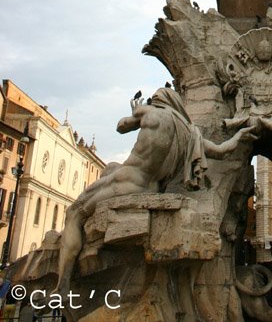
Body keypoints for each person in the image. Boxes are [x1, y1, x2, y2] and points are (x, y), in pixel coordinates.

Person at [55, 87, 257, 294]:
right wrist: (240, 134)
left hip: (128, 181)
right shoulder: (190, 134)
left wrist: (137, 110)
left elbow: (121, 126)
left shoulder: (150, 112)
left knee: (75, 213)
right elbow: (222, 151)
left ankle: (62, 285)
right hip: (151, 188)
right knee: (110, 168)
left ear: (158, 101)